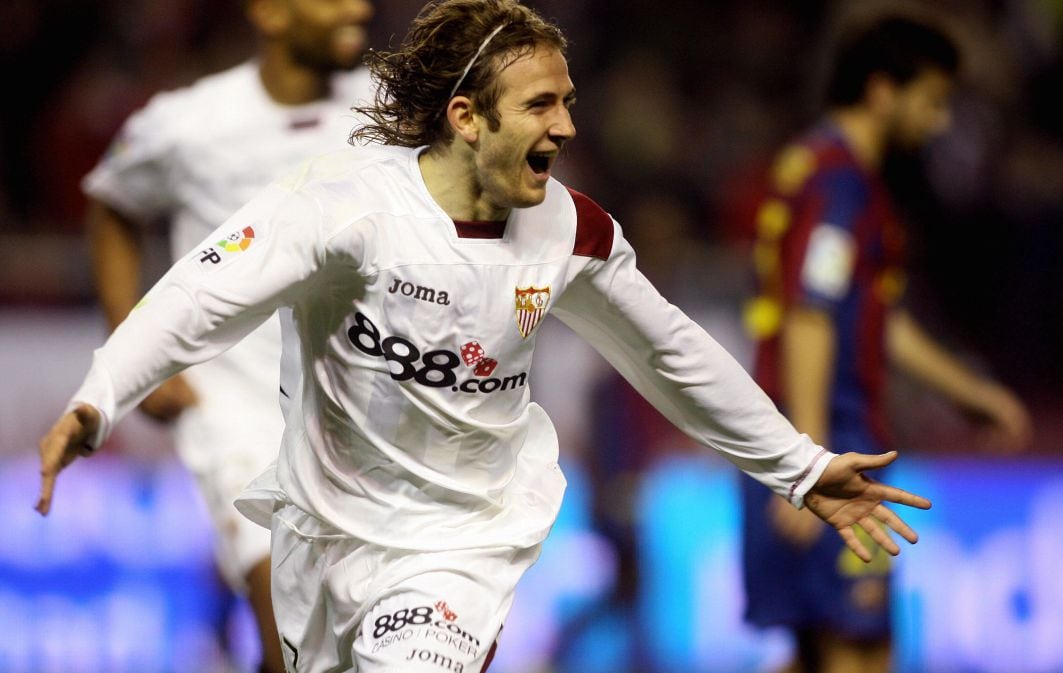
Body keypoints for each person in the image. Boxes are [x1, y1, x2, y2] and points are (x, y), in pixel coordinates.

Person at [40, 2, 932, 671]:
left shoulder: (572, 233)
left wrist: (800, 464)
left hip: (457, 544)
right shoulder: (344, 208)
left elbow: (672, 353)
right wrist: (102, 391)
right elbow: (201, 292)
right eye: (542, 106)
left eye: (570, 102)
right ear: (467, 118)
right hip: (326, 530)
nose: (568, 127)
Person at [79, 1, 375, 671]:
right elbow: (112, 202)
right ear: (270, 13)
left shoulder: (391, 109)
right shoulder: (189, 122)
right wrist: (133, 346)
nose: (357, 6)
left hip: (361, 402)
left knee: (346, 644)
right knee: (286, 609)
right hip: (236, 398)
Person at [740, 14, 1033, 673]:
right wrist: (811, 458)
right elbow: (810, 314)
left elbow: (877, 318)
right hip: (835, 446)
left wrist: (972, 393)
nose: (938, 121)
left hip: (792, 436)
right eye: (932, 100)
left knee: (816, 648)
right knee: (862, 651)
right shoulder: (842, 184)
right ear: (881, 91)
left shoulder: (814, 168)